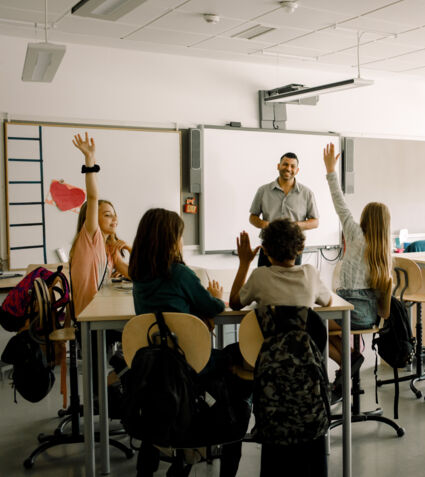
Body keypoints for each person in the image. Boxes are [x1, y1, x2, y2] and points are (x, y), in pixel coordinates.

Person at [130, 208, 247, 477]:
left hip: (154, 368)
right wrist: (215, 294)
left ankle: (177, 451)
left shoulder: (138, 277)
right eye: (180, 237)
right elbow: (213, 306)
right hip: (190, 364)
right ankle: (220, 450)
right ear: (171, 240)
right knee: (234, 362)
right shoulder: (180, 274)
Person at [229, 219, 331, 477]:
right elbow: (327, 300)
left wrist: (244, 263)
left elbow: (235, 303)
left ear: (265, 250)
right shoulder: (309, 274)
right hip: (307, 378)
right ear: (300, 249)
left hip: (270, 378)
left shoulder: (260, 276)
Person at [322, 143, 392, 399]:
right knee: (323, 328)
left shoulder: (354, 233)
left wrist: (330, 170)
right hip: (369, 316)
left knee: (315, 328)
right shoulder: (385, 250)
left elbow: (339, 203)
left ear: (364, 218)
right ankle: (349, 365)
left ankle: (348, 363)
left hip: (348, 311)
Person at [69, 132, 130, 317]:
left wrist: (129, 247)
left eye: (115, 215)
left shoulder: (110, 248)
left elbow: (136, 275)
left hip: (101, 314)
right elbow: (93, 196)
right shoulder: (90, 238)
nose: (114, 220)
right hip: (89, 319)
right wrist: (90, 160)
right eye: (107, 215)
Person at [249, 152, 319, 267]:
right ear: (278, 166)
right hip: (268, 247)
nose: (288, 168)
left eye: (292, 166)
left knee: (291, 284)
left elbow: (315, 222)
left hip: (293, 249)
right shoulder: (263, 191)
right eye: (285, 164)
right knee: (264, 283)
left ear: (297, 170)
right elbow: (252, 217)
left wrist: (293, 226)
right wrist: (265, 224)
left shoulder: (307, 193)